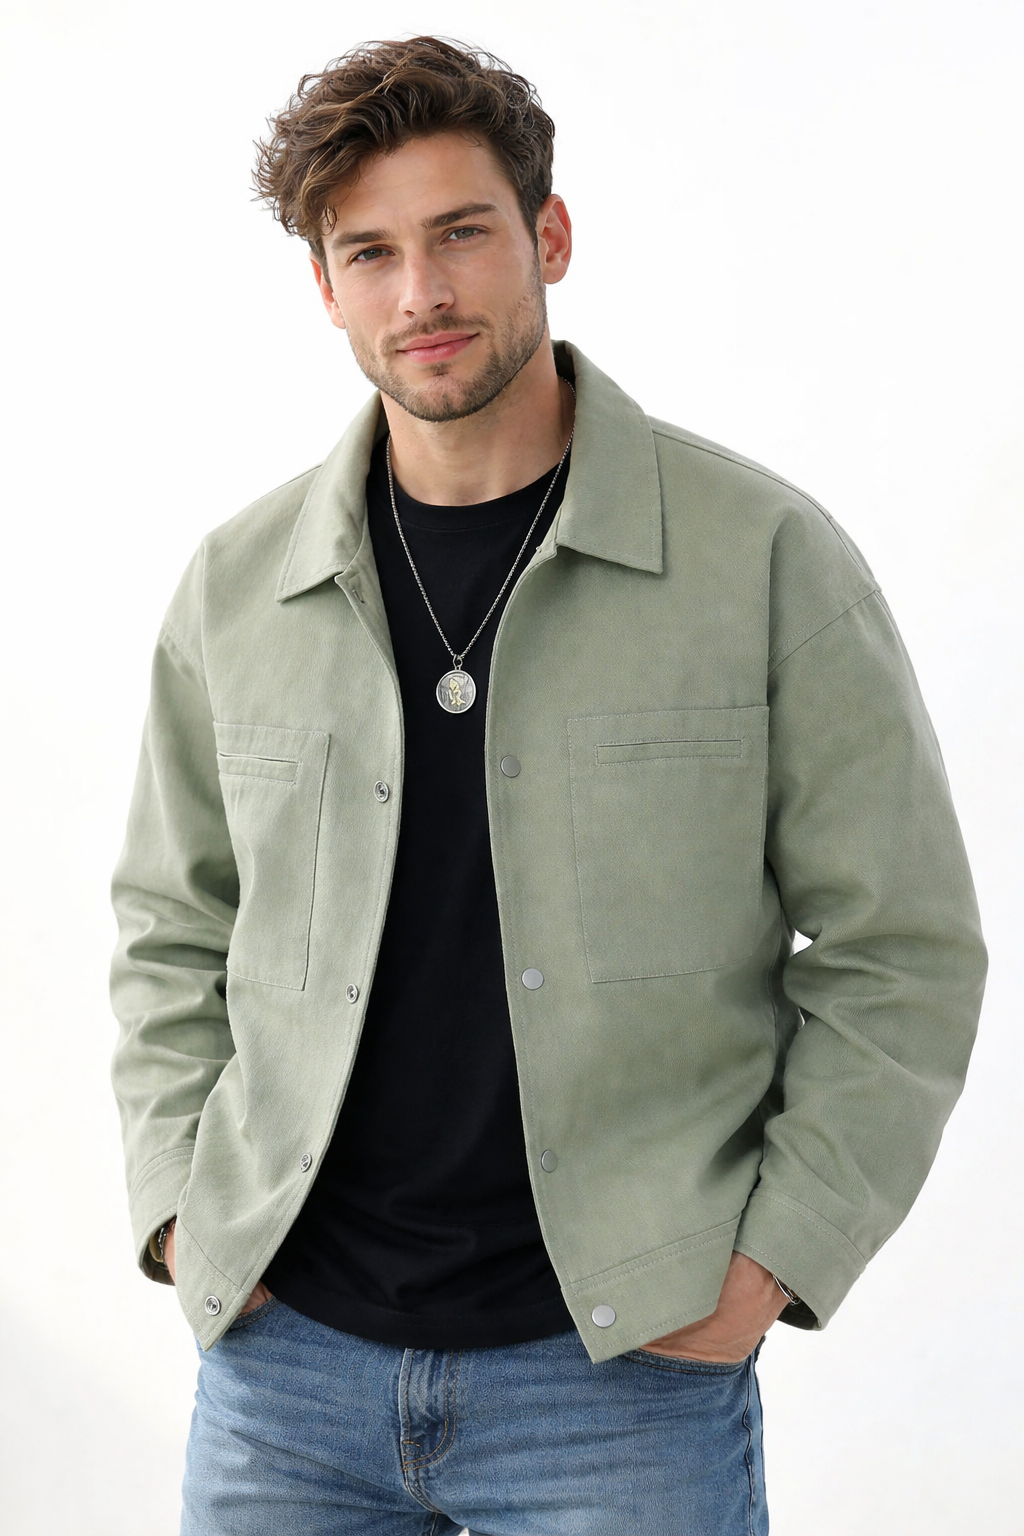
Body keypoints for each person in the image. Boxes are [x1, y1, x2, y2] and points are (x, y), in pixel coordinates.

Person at [110, 36, 986, 1535]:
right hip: (285, 1370)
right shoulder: (236, 588)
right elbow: (171, 930)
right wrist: (186, 1218)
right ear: (325, 288)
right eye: (370, 254)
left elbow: (902, 948)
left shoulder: (762, 560)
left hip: (623, 1378)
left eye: (461, 233)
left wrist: (774, 1260)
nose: (421, 294)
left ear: (550, 236)